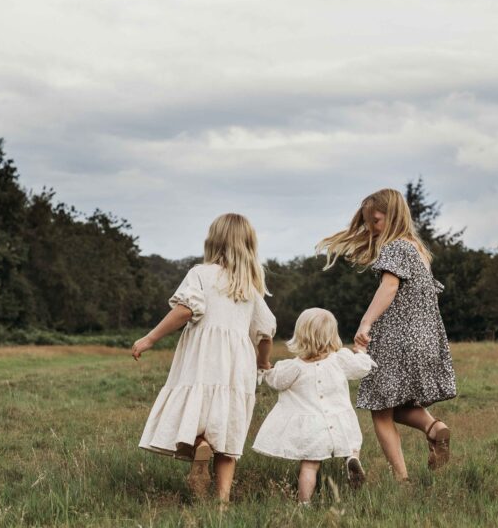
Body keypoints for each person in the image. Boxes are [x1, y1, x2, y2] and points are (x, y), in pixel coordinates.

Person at [132, 213, 276, 503]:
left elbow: (185, 310)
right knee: (228, 428)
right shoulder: (249, 286)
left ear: (213, 241)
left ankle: (199, 444)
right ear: (249, 244)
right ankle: (222, 500)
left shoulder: (201, 274)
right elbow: (266, 332)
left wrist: (150, 338)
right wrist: (262, 362)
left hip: (202, 357)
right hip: (237, 363)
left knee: (195, 414)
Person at [316, 189, 457, 482]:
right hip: (425, 339)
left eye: (376, 221)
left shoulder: (394, 248)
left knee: (380, 410)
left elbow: (389, 288)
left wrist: (366, 323)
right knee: (398, 404)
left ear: (392, 216)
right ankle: (433, 429)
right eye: (368, 222)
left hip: (397, 340)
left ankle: (401, 479)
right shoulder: (418, 250)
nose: (371, 228)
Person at [252, 308, 375, 503]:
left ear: (300, 335)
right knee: (351, 446)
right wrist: (361, 352)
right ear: (332, 335)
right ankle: (352, 460)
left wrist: (266, 369)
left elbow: (276, 381)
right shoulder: (340, 359)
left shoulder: (294, 367)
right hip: (341, 419)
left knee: (309, 465)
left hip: (312, 427)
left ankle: (304, 503)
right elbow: (361, 367)